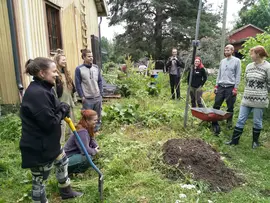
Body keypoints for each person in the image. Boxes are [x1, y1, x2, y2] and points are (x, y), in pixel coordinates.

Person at [20, 57, 82, 203]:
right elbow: (50, 123)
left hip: (50, 143)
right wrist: (62, 111)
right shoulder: (37, 94)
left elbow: (54, 108)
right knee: (39, 180)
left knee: (62, 161)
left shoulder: (45, 88)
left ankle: (66, 191)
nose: (56, 74)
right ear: (42, 73)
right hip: (38, 147)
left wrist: (62, 108)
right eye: (53, 71)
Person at [226, 45, 270, 148]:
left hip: (260, 100)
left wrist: (262, 92)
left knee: (257, 121)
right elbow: (246, 80)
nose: (251, 55)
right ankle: (234, 141)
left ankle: (255, 142)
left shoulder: (268, 67)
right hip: (247, 98)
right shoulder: (249, 66)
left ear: (258, 54)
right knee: (241, 119)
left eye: (252, 53)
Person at [212, 44, 241, 132]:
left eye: (228, 49)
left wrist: (235, 88)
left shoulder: (237, 61)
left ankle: (229, 123)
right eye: (225, 49)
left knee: (230, 106)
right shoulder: (222, 61)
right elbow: (219, 74)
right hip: (221, 86)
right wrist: (216, 86)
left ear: (232, 51)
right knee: (216, 104)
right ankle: (214, 121)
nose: (226, 51)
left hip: (230, 87)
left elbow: (238, 75)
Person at [75, 49, 103, 132]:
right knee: (88, 116)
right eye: (89, 56)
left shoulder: (96, 67)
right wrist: (82, 96)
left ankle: (96, 130)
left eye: (92, 56)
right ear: (84, 57)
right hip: (87, 98)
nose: (91, 58)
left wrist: (101, 93)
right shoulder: (79, 69)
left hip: (97, 96)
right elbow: (78, 83)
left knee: (97, 115)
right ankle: (87, 131)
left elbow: (100, 81)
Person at [64, 109, 100, 174]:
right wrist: (94, 151)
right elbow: (85, 151)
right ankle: (74, 173)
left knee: (91, 155)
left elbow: (91, 140)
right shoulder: (82, 131)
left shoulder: (87, 127)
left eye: (97, 120)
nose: (96, 122)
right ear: (87, 120)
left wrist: (96, 146)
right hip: (67, 159)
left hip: (74, 155)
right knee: (87, 157)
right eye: (94, 120)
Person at [54, 49, 76, 144]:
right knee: (61, 124)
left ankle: (72, 139)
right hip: (61, 103)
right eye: (63, 60)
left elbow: (72, 88)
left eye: (65, 60)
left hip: (69, 101)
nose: (65, 61)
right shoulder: (55, 75)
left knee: (72, 121)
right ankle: (61, 142)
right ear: (57, 61)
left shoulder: (66, 74)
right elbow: (54, 91)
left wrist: (74, 98)